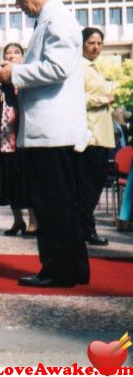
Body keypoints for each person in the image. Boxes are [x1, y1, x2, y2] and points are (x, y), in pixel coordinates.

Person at [0, 0, 90, 288]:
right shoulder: (50, 20)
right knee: (62, 203)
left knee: (51, 205)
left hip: (51, 130)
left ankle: (56, 270)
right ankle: (73, 267)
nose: (19, 5)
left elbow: (58, 68)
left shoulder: (57, 19)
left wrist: (15, 73)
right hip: (50, 130)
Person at [75, 27, 115, 246]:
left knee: (94, 187)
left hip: (102, 135)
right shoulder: (80, 66)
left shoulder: (94, 67)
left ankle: (86, 229)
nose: (96, 47)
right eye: (91, 42)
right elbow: (78, 98)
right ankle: (86, 230)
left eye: (99, 43)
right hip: (90, 136)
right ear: (82, 44)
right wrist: (104, 98)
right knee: (88, 188)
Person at [0, 43, 37, 237]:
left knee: (27, 179)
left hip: (22, 130)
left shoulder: (25, 75)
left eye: (16, 52)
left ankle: (33, 221)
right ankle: (17, 220)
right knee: (10, 179)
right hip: (5, 133)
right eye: (8, 53)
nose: (12, 56)